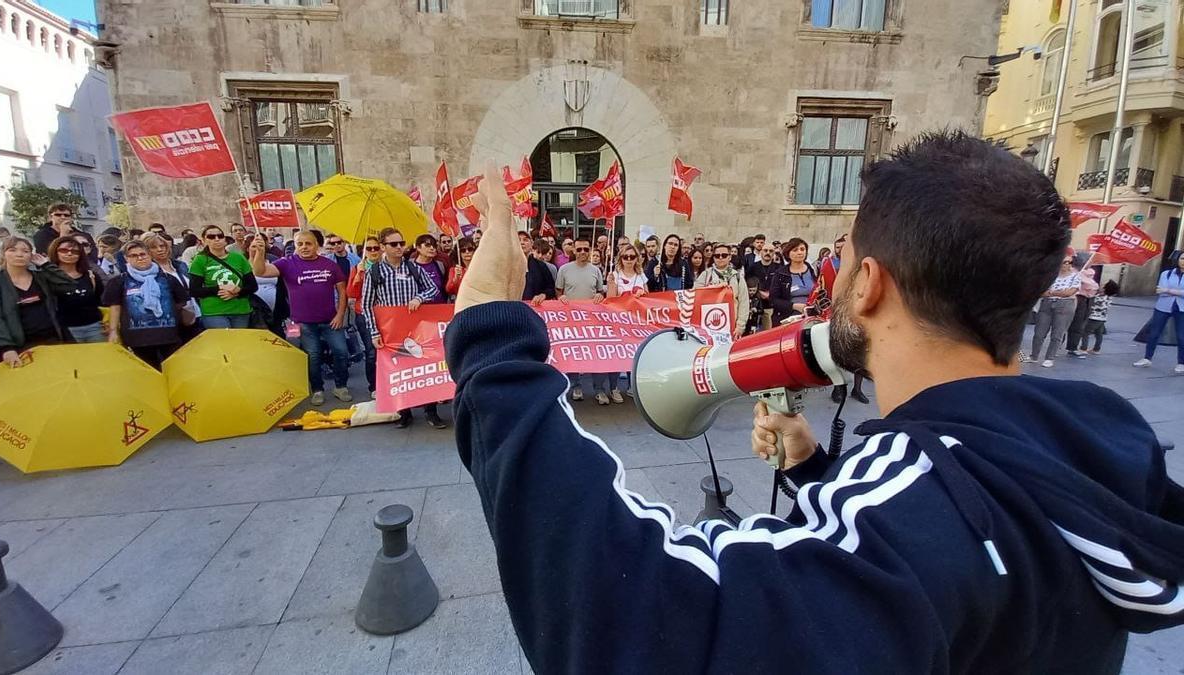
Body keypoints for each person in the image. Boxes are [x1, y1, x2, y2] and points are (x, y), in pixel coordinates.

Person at [445, 137, 1184, 673]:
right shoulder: (1099, 440)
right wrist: (817, 471)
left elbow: (626, 618)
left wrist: (489, 339)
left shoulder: (918, 491)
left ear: (866, 284)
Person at [250, 230, 352, 405]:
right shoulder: (287, 263)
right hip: (304, 323)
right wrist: (259, 252)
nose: (304, 247)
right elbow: (260, 271)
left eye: (308, 243)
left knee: (341, 352)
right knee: (313, 356)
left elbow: (342, 291)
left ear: (317, 246)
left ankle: (340, 386)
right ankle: (318, 389)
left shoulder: (329, 265)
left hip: (330, 320)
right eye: (300, 244)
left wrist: (340, 314)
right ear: (295, 245)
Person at [361, 227, 445, 428]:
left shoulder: (413, 267)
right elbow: (366, 304)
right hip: (390, 329)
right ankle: (404, 412)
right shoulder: (374, 271)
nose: (399, 247)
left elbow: (433, 288)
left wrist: (420, 297)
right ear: (383, 247)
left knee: (423, 368)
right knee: (398, 369)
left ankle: (430, 411)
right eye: (393, 244)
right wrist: (374, 331)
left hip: (416, 328)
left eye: (401, 243)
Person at [0, 237, 77, 365]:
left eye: (25, 251)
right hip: (22, 345)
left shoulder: (40, 277)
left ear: (31, 256)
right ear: (3, 254)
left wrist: (46, 265)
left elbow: (69, 286)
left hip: (53, 339)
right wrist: (6, 347)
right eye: (12, 250)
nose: (19, 254)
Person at [102, 241, 189, 369]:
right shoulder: (118, 281)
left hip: (169, 336)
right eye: (134, 255)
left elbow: (181, 302)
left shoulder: (168, 279)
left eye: (143, 254)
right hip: (137, 339)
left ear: (150, 255)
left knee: (174, 370)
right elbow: (115, 307)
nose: (140, 258)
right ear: (126, 258)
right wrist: (113, 331)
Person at [555, 238, 613, 404]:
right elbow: (558, 291)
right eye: (579, 249)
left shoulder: (595, 270)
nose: (582, 253)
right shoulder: (564, 270)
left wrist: (599, 296)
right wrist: (561, 297)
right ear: (574, 250)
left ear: (590, 250)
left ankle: (599, 389)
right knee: (574, 354)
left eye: (586, 250)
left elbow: (600, 292)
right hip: (571, 319)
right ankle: (576, 387)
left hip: (593, 320)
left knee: (597, 354)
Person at [189, 224, 258, 329]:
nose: (217, 239)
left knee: (239, 343)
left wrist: (237, 292)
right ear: (204, 240)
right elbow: (194, 290)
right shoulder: (199, 260)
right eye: (211, 237)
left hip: (240, 310)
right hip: (214, 312)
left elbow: (253, 286)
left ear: (225, 239)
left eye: (220, 236)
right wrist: (220, 288)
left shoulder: (238, 257)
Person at [1133, 250, 1184, 373]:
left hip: (1181, 308)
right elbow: (1160, 290)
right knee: (1154, 333)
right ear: (1177, 260)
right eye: (1182, 259)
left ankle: (1181, 363)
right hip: (1163, 307)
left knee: (1181, 336)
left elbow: (1165, 291)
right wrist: (1173, 292)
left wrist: (1168, 290)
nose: (1183, 262)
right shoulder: (1166, 274)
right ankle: (1147, 358)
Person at [47, 235, 105, 343]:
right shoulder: (48, 278)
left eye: (75, 251)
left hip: (94, 327)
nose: (69, 253)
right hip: (66, 329)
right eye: (64, 250)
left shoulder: (91, 276)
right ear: (55, 251)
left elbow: (100, 300)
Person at [346, 235, 383, 398]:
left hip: (387, 314)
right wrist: (357, 278)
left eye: (376, 248)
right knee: (371, 352)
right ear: (364, 251)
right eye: (370, 248)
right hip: (365, 314)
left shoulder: (387, 266)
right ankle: (373, 386)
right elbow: (351, 294)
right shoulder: (357, 267)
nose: (374, 251)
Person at [1028, 254, 1080, 368]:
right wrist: (1060, 292)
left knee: (1057, 333)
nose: (1066, 265)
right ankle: (1033, 356)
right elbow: (1041, 292)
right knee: (1039, 333)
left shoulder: (1075, 276)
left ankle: (1049, 358)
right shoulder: (1050, 276)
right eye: (1064, 262)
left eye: (1069, 263)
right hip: (1047, 304)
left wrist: (1052, 292)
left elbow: (1069, 293)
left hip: (1064, 305)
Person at [695, 243, 750, 336]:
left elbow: (744, 302)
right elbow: (695, 296)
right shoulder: (706, 275)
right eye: (717, 256)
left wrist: (740, 326)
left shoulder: (737, 277)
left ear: (730, 257)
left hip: (732, 326)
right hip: (708, 325)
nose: (720, 258)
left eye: (724, 255)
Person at [1065, 257, 1100, 358]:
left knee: (1079, 324)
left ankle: (1072, 347)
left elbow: (1093, 287)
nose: (1091, 262)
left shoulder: (1089, 273)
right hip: (1077, 298)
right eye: (1089, 260)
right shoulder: (1075, 272)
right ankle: (1056, 346)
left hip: (1087, 300)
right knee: (1067, 323)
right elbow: (1091, 286)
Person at [1082, 280, 1119, 355]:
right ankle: (1096, 349)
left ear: (1105, 288)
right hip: (1103, 318)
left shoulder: (1099, 297)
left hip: (1093, 317)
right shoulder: (1109, 297)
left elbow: (1091, 302)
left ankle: (1083, 348)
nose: (1101, 285)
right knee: (1099, 334)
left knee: (1085, 332)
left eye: (1103, 285)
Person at [411, 234, 449, 304]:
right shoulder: (409, 266)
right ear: (418, 248)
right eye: (427, 245)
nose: (432, 248)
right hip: (418, 309)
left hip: (440, 308)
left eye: (434, 246)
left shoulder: (440, 265)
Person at [521, 232, 556, 304]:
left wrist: (543, 295)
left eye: (525, 240)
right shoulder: (505, 266)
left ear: (531, 244)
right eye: (519, 240)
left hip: (534, 308)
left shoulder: (541, 266)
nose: (522, 243)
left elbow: (551, 289)